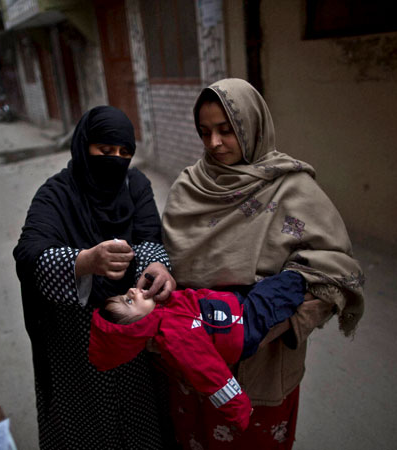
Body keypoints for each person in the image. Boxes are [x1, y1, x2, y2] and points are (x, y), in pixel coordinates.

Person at [161, 78, 365, 449]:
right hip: (195, 356)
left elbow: (333, 269)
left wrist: (265, 322)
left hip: (265, 359)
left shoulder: (291, 187)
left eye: (226, 130)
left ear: (252, 126)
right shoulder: (189, 186)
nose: (214, 143)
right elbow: (171, 259)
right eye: (205, 132)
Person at [13, 105, 176, 449]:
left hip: (132, 334)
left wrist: (156, 267)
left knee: (142, 417)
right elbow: (29, 254)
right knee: (87, 426)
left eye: (124, 153)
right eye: (104, 150)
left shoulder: (135, 185)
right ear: (84, 145)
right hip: (77, 342)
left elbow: (149, 237)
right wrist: (84, 261)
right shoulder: (56, 194)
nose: (115, 160)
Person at [89, 271, 306, 431]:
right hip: (243, 325)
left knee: (266, 290)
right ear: (137, 327)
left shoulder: (163, 307)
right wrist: (237, 406)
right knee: (285, 287)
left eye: (124, 295)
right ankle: (301, 282)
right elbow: (209, 371)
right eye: (128, 301)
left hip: (233, 306)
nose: (130, 290)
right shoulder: (176, 337)